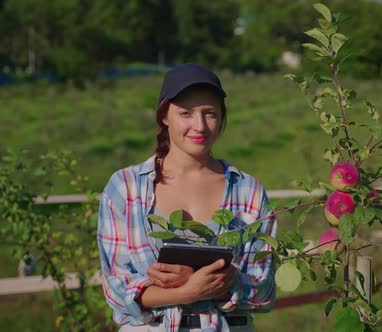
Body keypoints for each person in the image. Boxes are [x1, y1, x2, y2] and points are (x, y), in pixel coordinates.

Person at [97, 63, 277, 332]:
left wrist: (214, 281)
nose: (200, 125)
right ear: (164, 116)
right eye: (186, 113)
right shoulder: (125, 188)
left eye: (210, 114)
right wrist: (188, 291)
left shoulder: (248, 190)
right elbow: (117, 289)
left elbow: (263, 293)